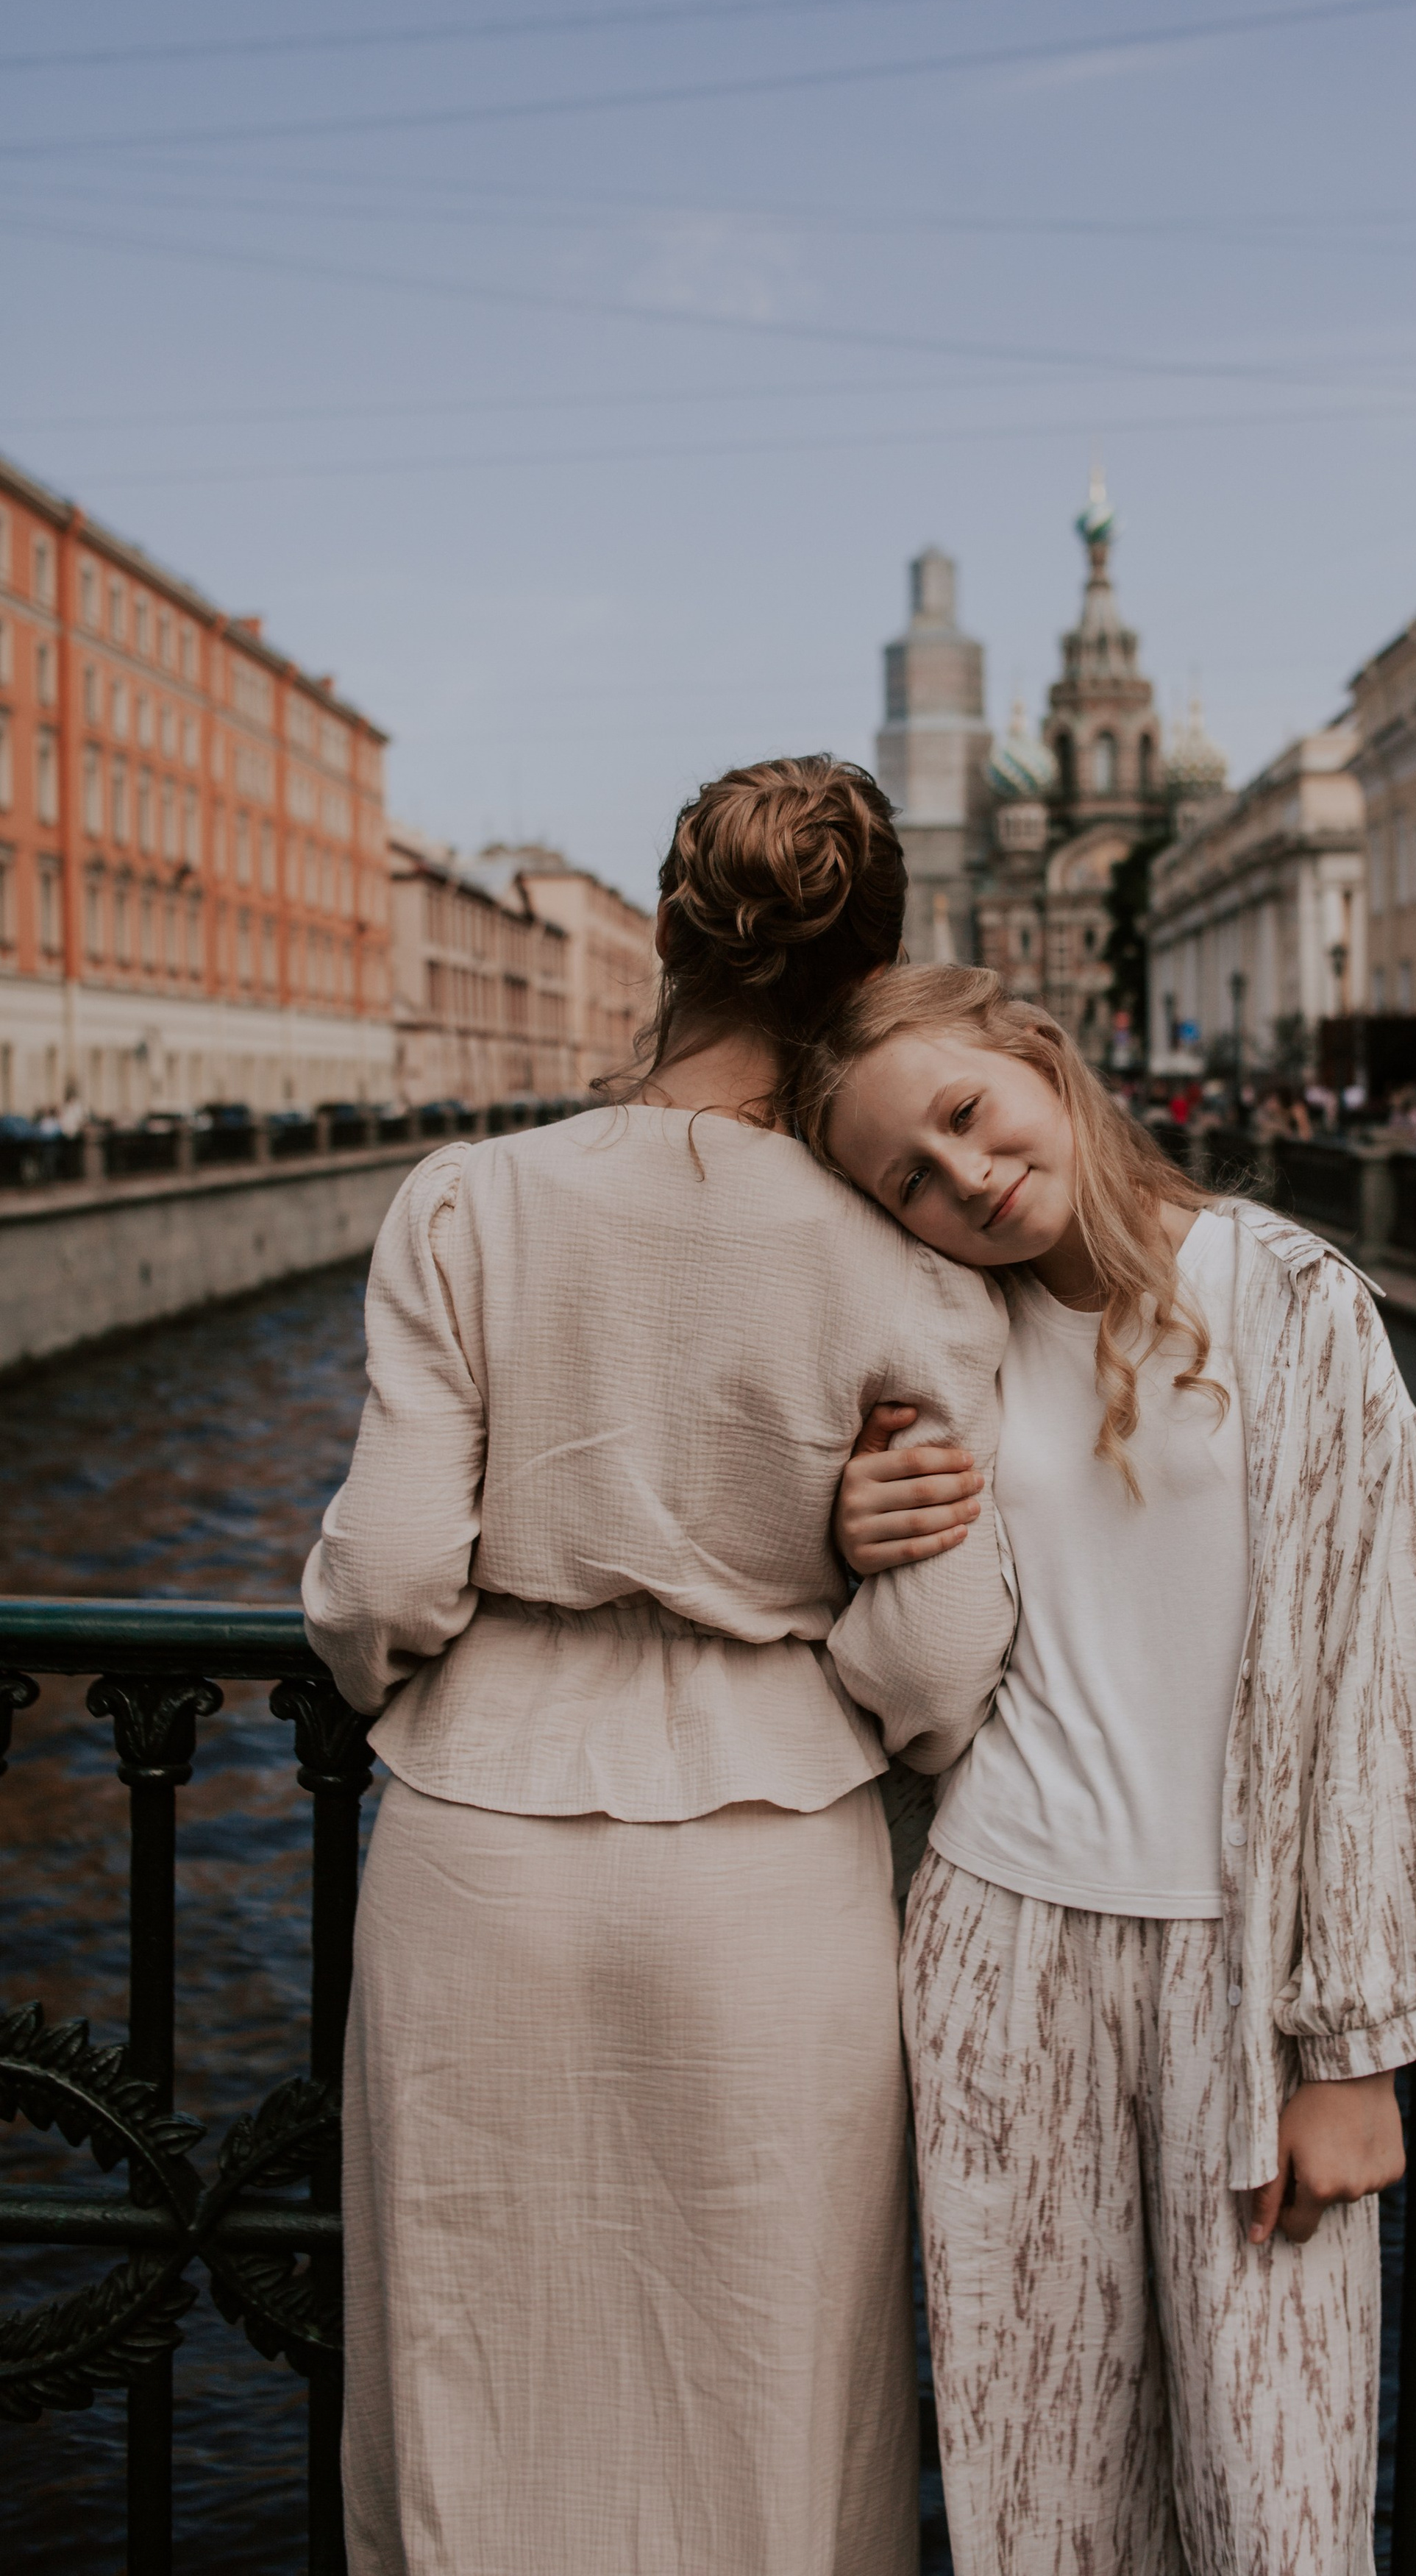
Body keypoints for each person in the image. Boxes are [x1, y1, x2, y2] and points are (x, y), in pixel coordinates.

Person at [302, 761, 1017, 2576]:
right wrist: (846, 1646)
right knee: (770, 2391)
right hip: (775, 1864)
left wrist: (422, 1685)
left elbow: (382, 1571)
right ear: (863, 971)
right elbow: (937, 1660)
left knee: (474, 2378)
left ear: (670, 929)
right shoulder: (902, 1264)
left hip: (483, 1848)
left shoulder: (469, 1203)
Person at [800, 965, 1416, 2576]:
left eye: (965, 1115)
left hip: (1246, 1989)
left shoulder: (1286, 1291)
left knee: (1277, 2509)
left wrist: (1359, 2046)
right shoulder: (944, 1340)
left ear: (1036, 1055)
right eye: (910, 1173)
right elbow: (925, 1677)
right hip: (998, 1953)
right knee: (1035, 2492)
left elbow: (1379, 1672)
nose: (963, 1177)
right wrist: (859, 1540)